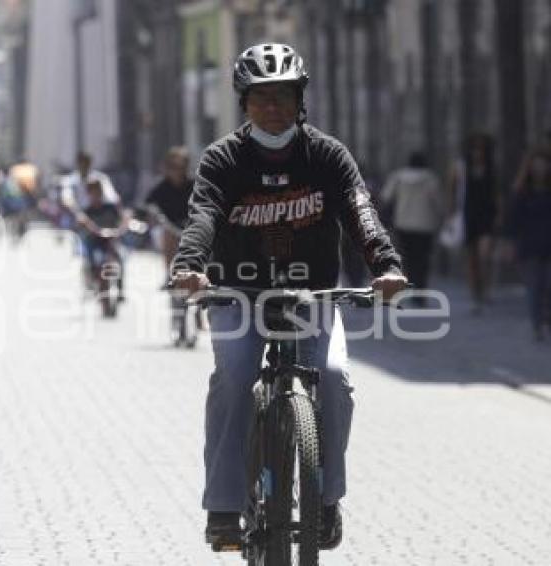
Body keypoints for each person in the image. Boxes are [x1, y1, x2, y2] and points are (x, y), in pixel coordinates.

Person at [170, 43, 407, 551]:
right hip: (239, 294)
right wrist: (189, 265)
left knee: (337, 377)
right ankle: (224, 507)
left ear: (300, 100)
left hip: (311, 295)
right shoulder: (223, 160)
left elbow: (361, 213)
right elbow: (204, 215)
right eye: (260, 98)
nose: (272, 107)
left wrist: (386, 265)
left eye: (282, 96)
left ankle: (327, 502)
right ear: (244, 104)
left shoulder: (326, 155)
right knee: (233, 378)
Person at [380, 151, 446, 303]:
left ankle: (411, 287)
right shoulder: (431, 178)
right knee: (423, 259)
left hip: (403, 224)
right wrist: (441, 216)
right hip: (426, 224)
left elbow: (386, 196)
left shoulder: (398, 177)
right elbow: (438, 201)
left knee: (408, 259)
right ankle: (421, 291)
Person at [447, 134, 501, 314]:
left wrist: (500, 213)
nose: (478, 152)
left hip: (487, 215)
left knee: (485, 255)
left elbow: (497, 191)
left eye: (481, 148)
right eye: (475, 148)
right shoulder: (461, 167)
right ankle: (475, 294)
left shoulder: (492, 167)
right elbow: (453, 189)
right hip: (468, 215)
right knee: (472, 258)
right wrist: (451, 213)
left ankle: (485, 288)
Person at [507, 148, 551, 341]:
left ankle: (546, 320)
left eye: (544, 164)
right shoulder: (522, 191)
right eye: (536, 165)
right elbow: (514, 220)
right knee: (535, 288)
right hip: (530, 246)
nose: (540, 168)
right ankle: (537, 326)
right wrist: (511, 244)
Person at [144, 146, 195, 270]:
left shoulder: (194, 185)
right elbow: (147, 205)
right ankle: (168, 273)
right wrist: (152, 217)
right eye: (173, 167)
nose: (177, 171)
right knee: (168, 234)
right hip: (168, 226)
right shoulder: (161, 188)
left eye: (181, 167)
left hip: (191, 225)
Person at [76, 180, 128, 300]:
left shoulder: (110, 208)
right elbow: (82, 221)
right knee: (91, 260)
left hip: (109, 240)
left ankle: (120, 289)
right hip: (93, 241)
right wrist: (86, 225)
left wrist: (121, 228)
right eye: (92, 192)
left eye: (97, 192)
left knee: (120, 258)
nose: (95, 195)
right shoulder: (87, 211)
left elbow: (122, 218)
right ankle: (91, 282)